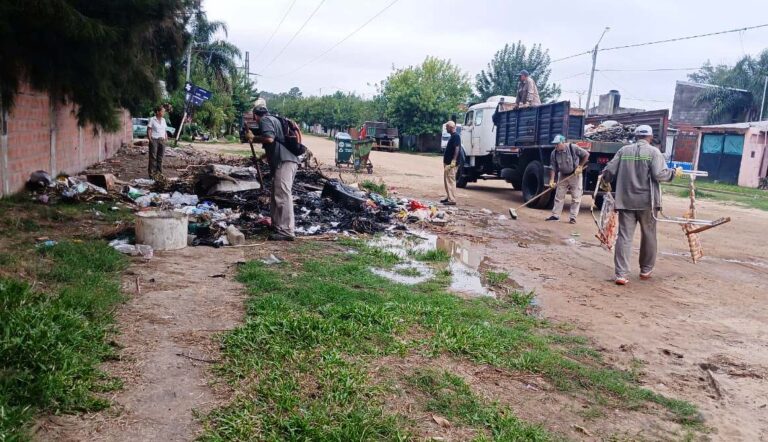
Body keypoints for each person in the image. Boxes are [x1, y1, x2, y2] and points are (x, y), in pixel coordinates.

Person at [601, 125, 683, 285]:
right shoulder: (654, 152)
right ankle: (645, 270)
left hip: (626, 201)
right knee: (649, 236)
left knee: (624, 237)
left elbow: (609, 171)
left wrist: (605, 179)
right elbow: (659, 174)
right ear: (650, 137)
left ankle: (621, 275)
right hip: (648, 202)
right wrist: (673, 173)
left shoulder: (624, 151)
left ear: (636, 136)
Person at [250, 101, 300, 241]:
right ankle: (278, 225)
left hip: (285, 161)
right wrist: (260, 158)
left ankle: (287, 231)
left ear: (255, 115)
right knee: (276, 194)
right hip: (288, 161)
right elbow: (275, 143)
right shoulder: (274, 119)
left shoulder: (265, 120)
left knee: (283, 195)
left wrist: (253, 138)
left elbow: (269, 139)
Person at [546, 134, 589, 224]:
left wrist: (580, 166)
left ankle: (573, 217)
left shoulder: (573, 148)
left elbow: (586, 154)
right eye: (555, 144)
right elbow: (553, 167)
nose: (556, 146)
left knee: (576, 197)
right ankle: (555, 215)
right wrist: (551, 180)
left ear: (563, 143)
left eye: (557, 144)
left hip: (575, 174)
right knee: (559, 196)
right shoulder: (554, 153)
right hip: (563, 175)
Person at [441, 120, 461, 206]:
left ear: (451, 127)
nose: (446, 128)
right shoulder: (452, 136)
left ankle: (452, 199)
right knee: (447, 180)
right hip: (448, 163)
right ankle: (449, 196)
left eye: (447, 127)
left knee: (450, 180)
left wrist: (454, 161)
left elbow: (457, 149)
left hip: (451, 164)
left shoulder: (456, 136)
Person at [146, 105, 168, 177]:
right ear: (158, 112)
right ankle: (152, 174)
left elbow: (164, 130)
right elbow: (149, 129)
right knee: (153, 157)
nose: (164, 113)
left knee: (160, 157)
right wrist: (150, 139)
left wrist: (166, 138)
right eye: (162, 111)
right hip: (154, 139)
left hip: (162, 140)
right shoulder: (152, 119)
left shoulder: (164, 120)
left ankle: (159, 173)